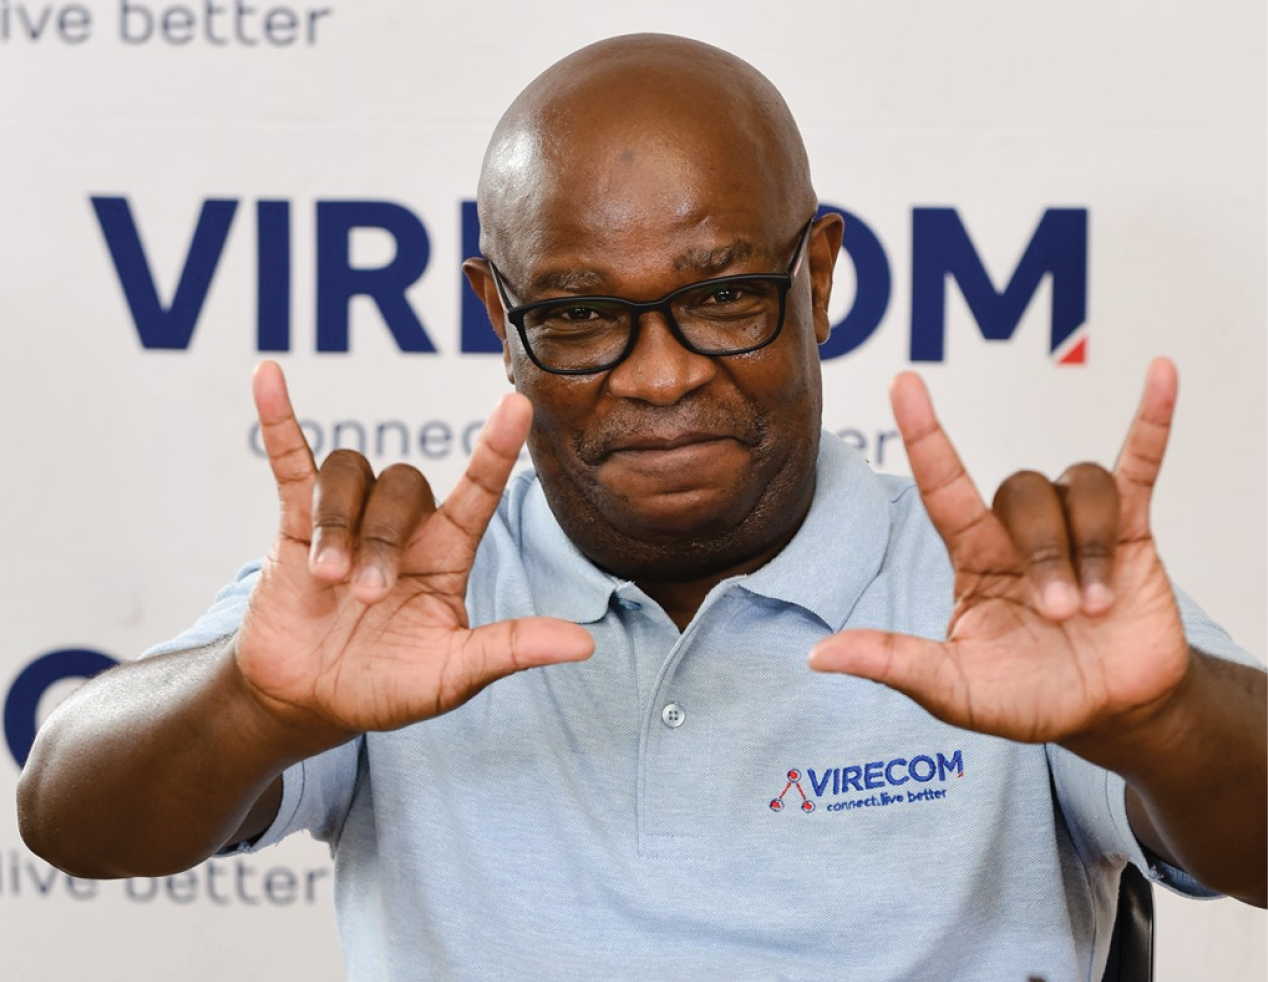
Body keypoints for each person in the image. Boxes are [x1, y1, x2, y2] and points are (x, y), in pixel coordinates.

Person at [17, 32, 1266, 981]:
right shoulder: (397, 602)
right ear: (497, 319)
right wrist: (258, 698)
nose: (659, 373)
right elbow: (69, 812)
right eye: (576, 316)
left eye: (722, 295)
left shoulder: (1000, 596)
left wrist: (1158, 717)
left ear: (817, 277)